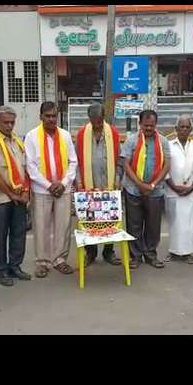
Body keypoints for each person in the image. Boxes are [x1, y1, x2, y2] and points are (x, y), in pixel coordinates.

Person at [25, 101, 78, 278]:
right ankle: (43, 262)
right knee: (41, 226)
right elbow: (31, 166)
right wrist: (49, 185)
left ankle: (60, 260)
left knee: (64, 225)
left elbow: (73, 161)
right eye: (47, 116)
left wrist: (63, 183)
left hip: (63, 188)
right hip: (42, 190)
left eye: (54, 116)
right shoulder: (32, 136)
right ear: (41, 116)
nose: (51, 119)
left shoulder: (65, 135)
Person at [0, 106, 31, 287]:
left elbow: (25, 168)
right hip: (2, 198)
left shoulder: (17, 141)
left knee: (19, 233)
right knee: (1, 236)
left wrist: (25, 192)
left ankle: (15, 266)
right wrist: (11, 194)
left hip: (20, 195)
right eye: (6, 122)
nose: (10, 126)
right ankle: (2, 271)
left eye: (12, 122)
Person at [121, 109, 171, 269]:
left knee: (153, 225)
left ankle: (150, 255)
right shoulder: (131, 141)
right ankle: (135, 256)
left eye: (152, 125)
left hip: (155, 190)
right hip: (133, 189)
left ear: (156, 124)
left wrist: (153, 184)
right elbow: (125, 164)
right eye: (145, 125)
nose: (149, 128)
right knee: (134, 225)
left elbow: (167, 165)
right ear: (140, 124)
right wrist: (140, 184)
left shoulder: (163, 141)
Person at [75, 103, 122, 266]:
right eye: (94, 122)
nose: (97, 126)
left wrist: (117, 178)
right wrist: (78, 182)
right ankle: (91, 252)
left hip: (108, 184)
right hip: (88, 185)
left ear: (104, 118)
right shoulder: (81, 134)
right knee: (90, 220)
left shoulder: (113, 133)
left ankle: (108, 251)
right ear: (89, 119)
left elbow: (119, 160)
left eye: (100, 122)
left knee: (109, 220)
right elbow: (76, 161)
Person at [164, 115, 193, 264]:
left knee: (190, 224)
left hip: (191, 191)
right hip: (173, 191)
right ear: (176, 129)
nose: (184, 129)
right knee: (174, 224)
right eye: (181, 127)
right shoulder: (168, 145)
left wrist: (191, 188)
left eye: (187, 127)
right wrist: (174, 187)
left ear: (191, 129)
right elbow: (164, 169)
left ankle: (188, 253)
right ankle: (173, 252)